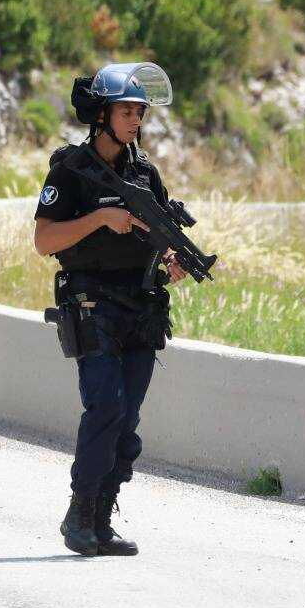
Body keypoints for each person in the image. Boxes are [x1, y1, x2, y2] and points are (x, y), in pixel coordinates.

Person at [33, 62, 190, 557]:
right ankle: (79, 513)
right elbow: (44, 239)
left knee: (129, 418)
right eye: (126, 110)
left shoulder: (144, 173)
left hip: (140, 308)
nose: (135, 120)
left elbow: (157, 235)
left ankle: (102, 519)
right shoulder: (70, 171)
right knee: (106, 405)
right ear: (101, 115)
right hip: (92, 304)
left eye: (140, 111)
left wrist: (172, 259)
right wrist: (101, 217)